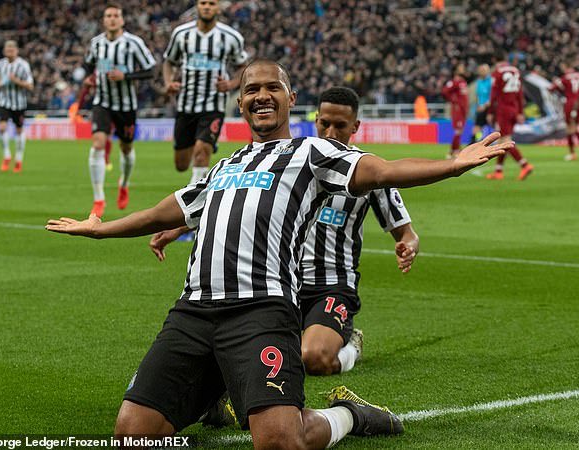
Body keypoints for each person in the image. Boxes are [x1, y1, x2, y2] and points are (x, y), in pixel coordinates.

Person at [46, 59, 511, 449]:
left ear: (291, 100)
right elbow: (168, 209)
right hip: (192, 313)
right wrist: (101, 230)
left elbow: (382, 170)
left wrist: (451, 165)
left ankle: (348, 415)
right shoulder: (226, 165)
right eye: (251, 89)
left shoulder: (314, 152)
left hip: (260, 312)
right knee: (132, 433)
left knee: (279, 441)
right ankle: (223, 387)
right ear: (241, 102)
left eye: (273, 87)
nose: (261, 95)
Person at [150, 87, 419, 377]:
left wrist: (408, 245)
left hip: (331, 286)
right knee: (225, 357)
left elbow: (406, 233)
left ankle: (352, 347)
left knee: (313, 358)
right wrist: (178, 227)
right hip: (280, 284)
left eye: (340, 126)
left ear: (355, 127)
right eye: (324, 123)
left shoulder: (367, 172)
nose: (330, 132)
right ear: (316, 119)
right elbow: (228, 199)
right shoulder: (291, 161)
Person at [163, 0, 248, 185]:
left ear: (218, 8)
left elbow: (243, 66)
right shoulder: (181, 34)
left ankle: (194, 201)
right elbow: (169, 61)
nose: (207, 6)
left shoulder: (231, 37)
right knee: (181, 164)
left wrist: (231, 83)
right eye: (203, 3)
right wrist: (169, 82)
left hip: (214, 105)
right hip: (186, 105)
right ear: (197, 6)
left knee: (201, 153)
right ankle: (203, 141)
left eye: (211, 3)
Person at [83, 3, 156, 217]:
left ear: (122, 20)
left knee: (126, 148)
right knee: (97, 144)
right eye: (108, 16)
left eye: (116, 15)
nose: (112, 19)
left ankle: (123, 184)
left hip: (126, 106)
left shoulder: (134, 43)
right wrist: (90, 76)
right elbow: (89, 64)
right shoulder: (96, 43)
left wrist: (127, 76)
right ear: (104, 20)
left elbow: (150, 70)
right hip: (102, 102)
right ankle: (98, 198)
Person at [486, 50, 534, 181]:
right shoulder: (515, 71)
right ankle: (498, 171)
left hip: (503, 109)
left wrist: (490, 112)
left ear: (495, 60)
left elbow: (494, 94)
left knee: (505, 140)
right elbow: (519, 93)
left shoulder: (497, 73)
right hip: (514, 108)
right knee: (503, 141)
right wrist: (520, 112)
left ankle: (524, 165)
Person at [0, 40, 34, 173]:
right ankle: (6, 156)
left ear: (17, 50)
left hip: (19, 104)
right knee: (2, 127)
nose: (9, 51)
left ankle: (18, 159)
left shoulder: (23, 65)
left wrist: (16, 81)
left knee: (19, 131)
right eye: (7, 48)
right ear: (4, 51)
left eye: (12, 48)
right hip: (4, 101)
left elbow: (30, 85)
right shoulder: (1, 64)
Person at [549, 62, 579, 160]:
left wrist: (558, 87)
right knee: (574, 126)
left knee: (569, 128)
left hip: (570, 104)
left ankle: (573, 153)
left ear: (566, 66)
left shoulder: (565, 78)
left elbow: (551, 89)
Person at [441, 63, 468, 158]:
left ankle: (452, 151)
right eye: (461, 67)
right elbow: (444, 91)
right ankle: (455, 151)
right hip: (458, 110)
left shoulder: (463, 81)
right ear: (456, 70)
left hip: (463, 110)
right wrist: (453, 101)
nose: (463, 69)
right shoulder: (454, 81)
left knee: (460, 131)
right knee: (458, 131)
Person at [470, 64, 492, 144]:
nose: (482, 72)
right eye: (481, 70)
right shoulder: (479, 82)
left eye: (484, 70)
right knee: (477, 128)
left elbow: (492, 96)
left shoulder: (491, 81)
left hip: (490, 108)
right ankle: (475, 143)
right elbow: (478, 96)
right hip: (480, 108)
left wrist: (484, 105)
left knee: (496, 127)